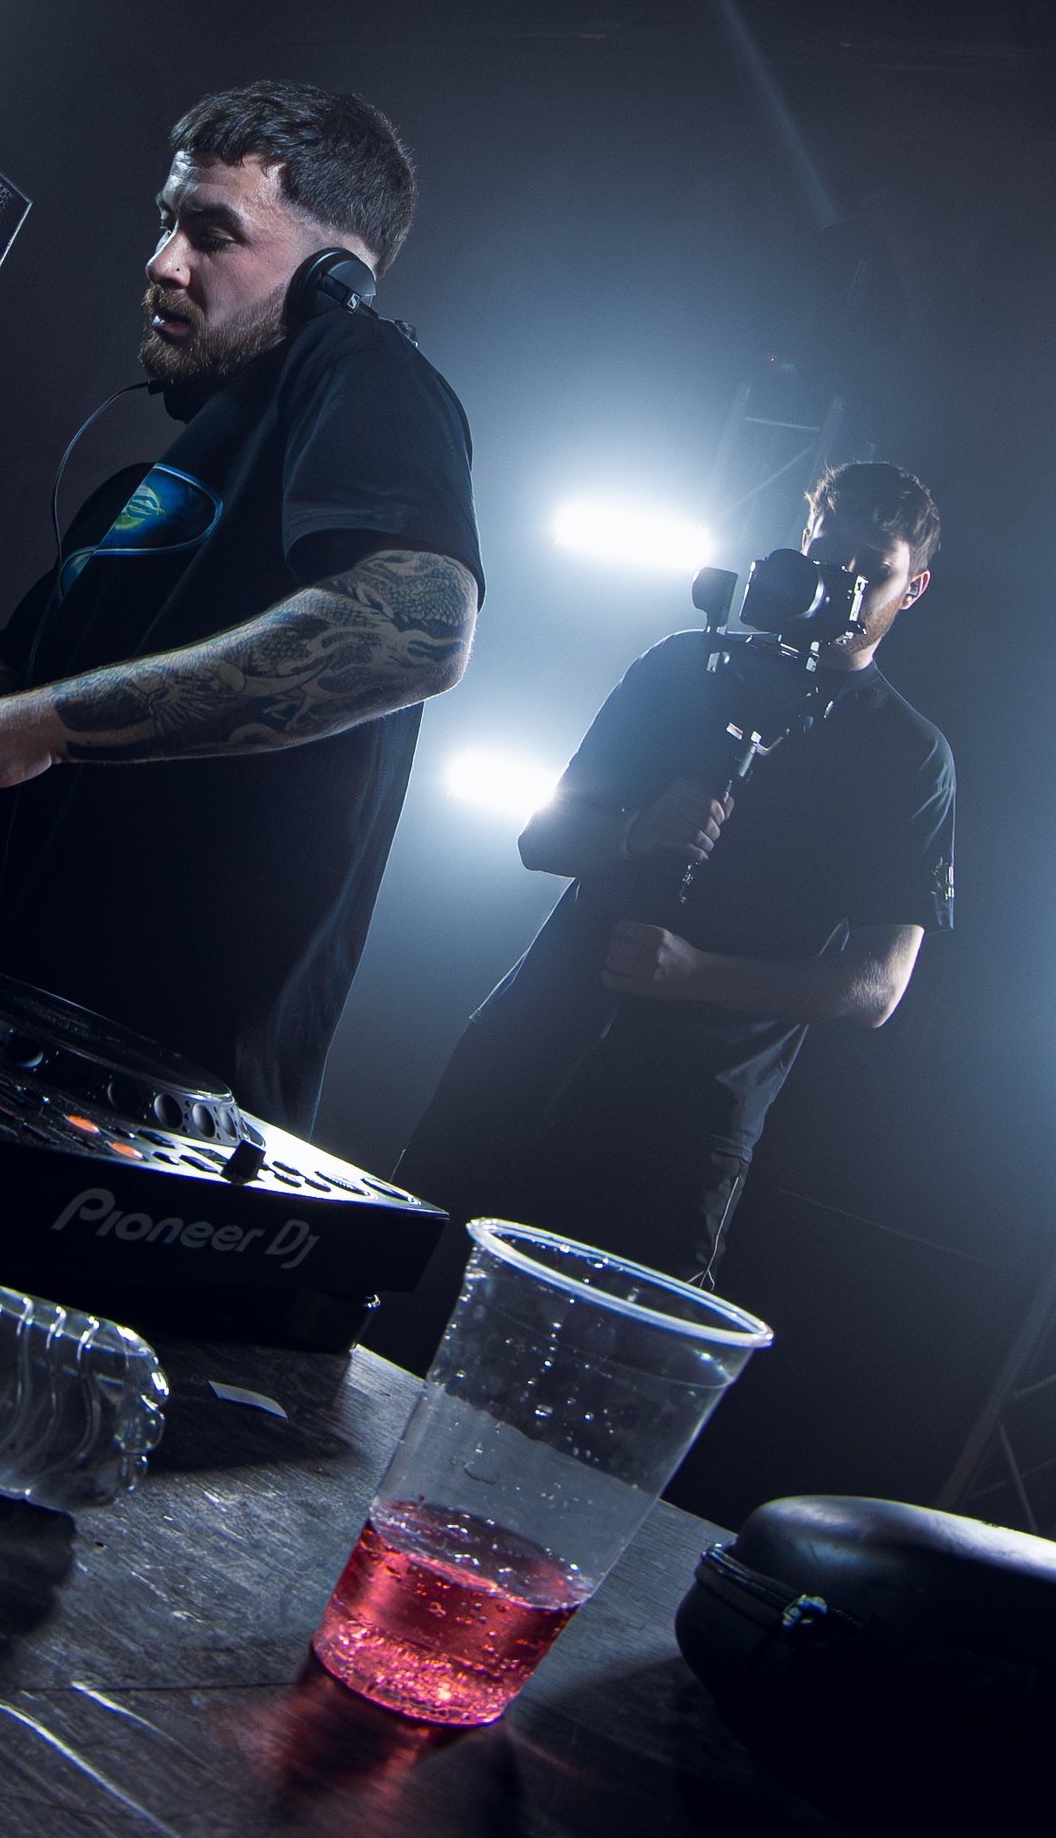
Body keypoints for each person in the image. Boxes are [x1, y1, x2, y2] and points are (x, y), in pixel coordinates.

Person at [0, 82, 483, 1130]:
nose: (163, 263)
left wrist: (36, 727)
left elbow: (416, 630)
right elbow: (14, 675)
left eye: (212, 234)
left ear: (336, 277)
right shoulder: (137, 493)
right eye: (164, 224)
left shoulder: (365, 367)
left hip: (164, 1089)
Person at [378, 458, 953, 1358]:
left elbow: (879, 986)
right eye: (824, 553)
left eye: (870, 570)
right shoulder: (686, 664)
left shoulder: (906, 755)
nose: (839, 581)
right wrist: (633, 833)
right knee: (391, 1305)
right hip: (532, 1046)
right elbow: (541, 838)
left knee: (597, 1381)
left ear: (912, 588)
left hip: (686, 1122)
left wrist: (698, 975)